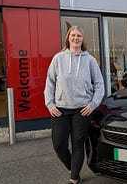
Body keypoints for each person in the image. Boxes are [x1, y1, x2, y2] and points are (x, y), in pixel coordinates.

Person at [44, 26, 105, 184]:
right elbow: (49, 84)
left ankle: (74, 177)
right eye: (73, 35)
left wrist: (92, 104)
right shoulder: (58, 58)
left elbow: (100, 85)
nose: (76, 38)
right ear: (68, 38)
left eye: (79, 35)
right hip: (60, 109)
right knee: (58, 145)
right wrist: (50, 105)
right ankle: (72, 165)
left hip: (82, 109)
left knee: (78, 143)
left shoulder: (89, 60)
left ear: (82, 39)